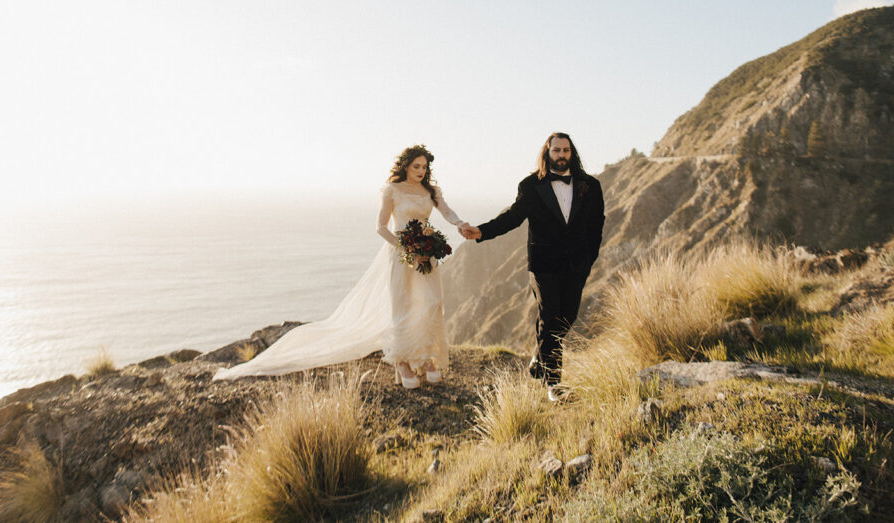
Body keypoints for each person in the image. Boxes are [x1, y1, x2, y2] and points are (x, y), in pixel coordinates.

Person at [214, 145, 467, 388]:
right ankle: (402, 361)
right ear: (405, 166)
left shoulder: (431, 191)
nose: (421, 171)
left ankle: (424, 356)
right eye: (416, 166)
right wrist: (405, 248)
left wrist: (459, 223)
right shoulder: (392, 189)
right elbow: (380, 226)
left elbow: (446, 211)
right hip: (400, 253)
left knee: (431, 302)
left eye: (424, 167)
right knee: (403, 304)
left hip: (426, 254)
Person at [461, 133, 604, 401]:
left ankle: (539, 354)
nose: (561, 155)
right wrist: (481, 231)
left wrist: (590, 258)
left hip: (576, 265)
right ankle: (554, 384)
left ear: (572, 153)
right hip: (543, 264)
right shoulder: (530, 186)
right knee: (550, 316)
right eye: (556, 150)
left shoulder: (590, 186)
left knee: (567, 316)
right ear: (547, 153)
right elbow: (512, 218)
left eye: (565, 150)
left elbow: (597, 224)